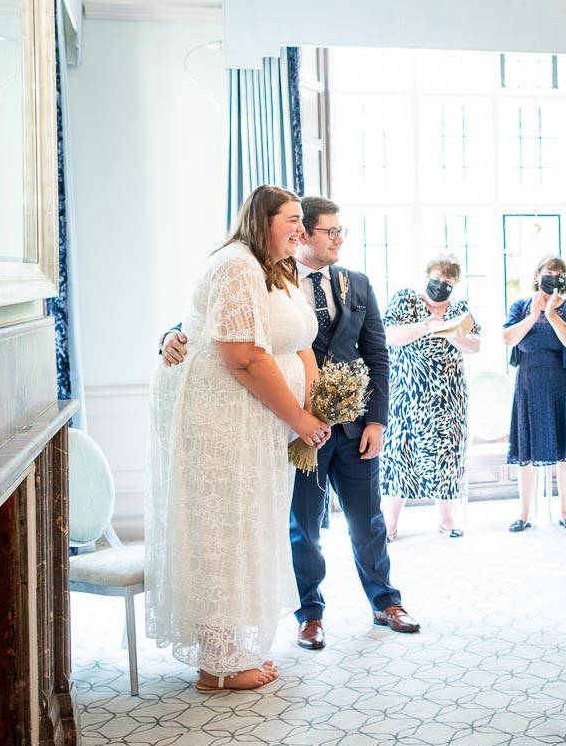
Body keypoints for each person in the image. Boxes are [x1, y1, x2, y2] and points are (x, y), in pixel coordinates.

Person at [162, 197, 420, 645]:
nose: (338, 239)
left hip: (354, 428)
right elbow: (213, 320)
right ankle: (310, 613)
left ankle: (385, 601)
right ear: (304, 236)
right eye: (329, 231)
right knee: (303, 525)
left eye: (341, 232)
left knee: (368, 520)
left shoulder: (356, 284)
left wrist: (377, 420)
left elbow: (378, 355)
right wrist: (169, 335)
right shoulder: (268, 274)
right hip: (292, 426)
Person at [144, 185, 331, 692]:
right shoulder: (238, 266)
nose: (299, 228)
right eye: (291, 219)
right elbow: (242, 356)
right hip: (219, 421)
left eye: (301, 220)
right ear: (260, 220)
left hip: (254, 423)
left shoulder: (277, 268)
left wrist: (312, 411)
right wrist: (297, 418)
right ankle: (218, 666)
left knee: (247, 526)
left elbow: (300, 348)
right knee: (221, 529)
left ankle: (233, 648)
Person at [380, 254, 481, 538]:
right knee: (399, 457)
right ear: (427, 276)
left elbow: (474, 345)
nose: (442, 284)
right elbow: (388, 335)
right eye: (437, 278)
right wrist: (424, 326)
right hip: (407, 398)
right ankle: (390, 524)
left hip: (448, 399)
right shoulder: (406, 299)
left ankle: (447, 520)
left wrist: (449, 332)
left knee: (447, 457)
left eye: (448, 280)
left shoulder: (460, 309)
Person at [502, 254, 566, 531]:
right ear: (537, 275)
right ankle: (524, 513)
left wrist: (551, 315)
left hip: (564, 385)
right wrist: (533, 316)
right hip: (529, 384)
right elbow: (509, 338)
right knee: (526, 450)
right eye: (549, 272)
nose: (555, 277)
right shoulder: (520, 306)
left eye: (560, 273)